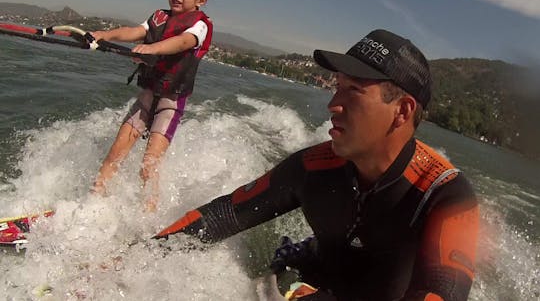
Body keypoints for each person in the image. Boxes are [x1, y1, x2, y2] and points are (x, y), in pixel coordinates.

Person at [153, 29, 479, 300]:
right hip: (302, 282)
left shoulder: (445, 196)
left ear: (402, 110)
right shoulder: (313, 167)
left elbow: (442, 294)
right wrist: (139, 255)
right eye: (337, 87)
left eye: (353, 91)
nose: (333, 105)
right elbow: (225, 215)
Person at [90, 0, 213, 212]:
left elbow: (182, 42)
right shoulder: (158, 17)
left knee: (148, 167)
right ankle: (93, 201)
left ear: (201, 0)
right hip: (147, 98)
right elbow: (134, 31)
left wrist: (152, 48)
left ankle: (148, 218)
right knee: (115, 154)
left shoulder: (200, 25)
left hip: (170, 103)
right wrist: (105, 35)